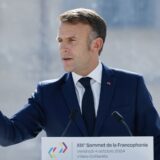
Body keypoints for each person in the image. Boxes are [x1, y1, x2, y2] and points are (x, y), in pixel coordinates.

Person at [0, 8, 160, 159]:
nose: (63, 48)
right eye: (60, 40)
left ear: (96, 44)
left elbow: (156, 143)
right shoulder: (48, 93)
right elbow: (9, 135)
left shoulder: (131, 86)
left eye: (71, 40)